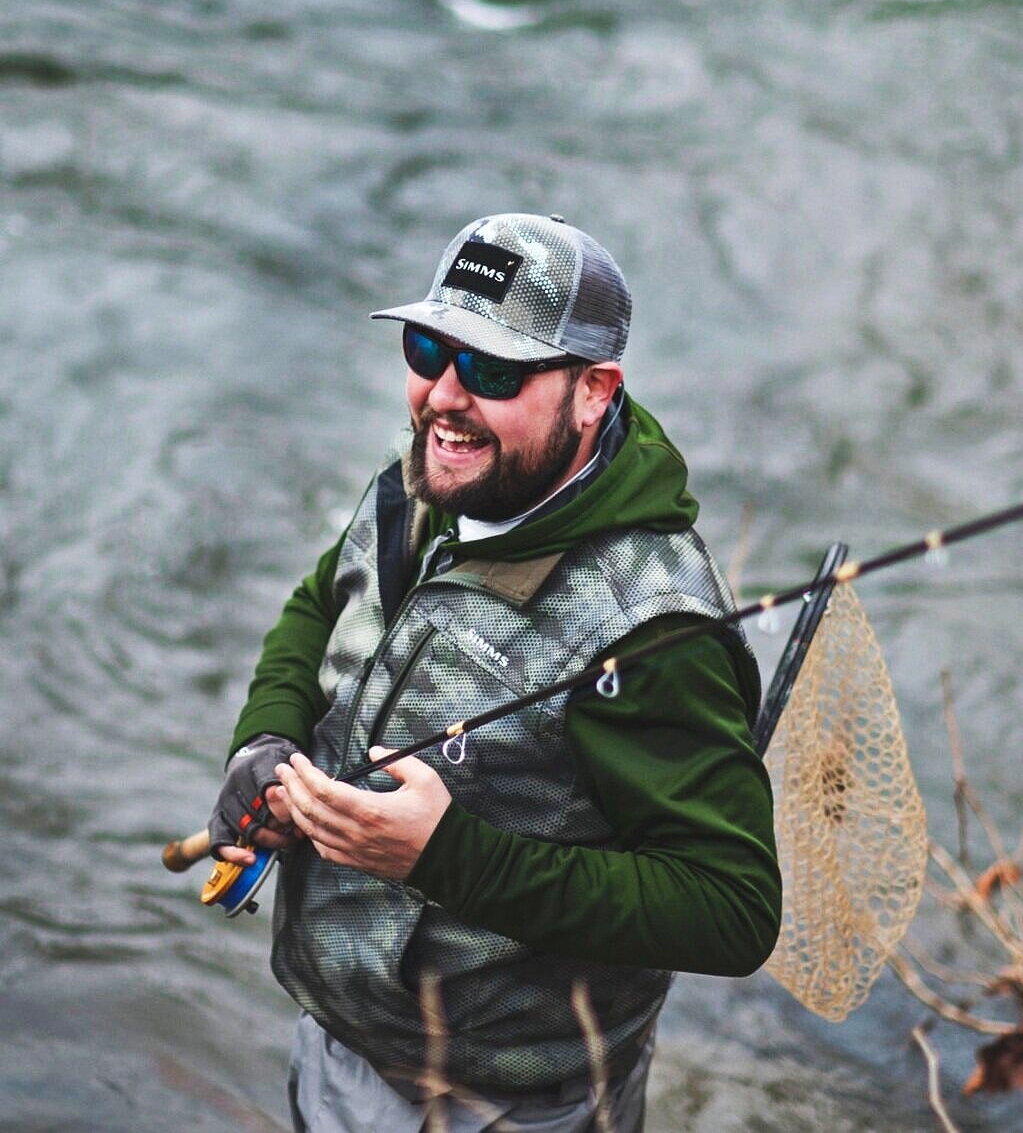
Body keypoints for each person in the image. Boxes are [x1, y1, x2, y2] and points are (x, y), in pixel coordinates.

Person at [208, 212, 781, 1132]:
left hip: (510, 1105)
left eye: (493, 370)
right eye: (429, 348)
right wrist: (266, 739)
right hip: (342, 1037)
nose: (442, 396)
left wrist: (445, 856)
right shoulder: (432, 479)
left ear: (594, 391)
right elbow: (321, 604)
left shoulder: (653, 628)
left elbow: (732, 909)